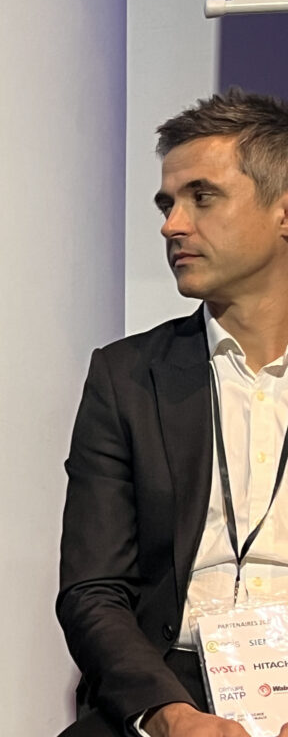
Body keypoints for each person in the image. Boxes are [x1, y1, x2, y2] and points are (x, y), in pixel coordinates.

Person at [57, 88, 288, 736]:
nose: (172, 225)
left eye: (202, 197)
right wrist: (168, 715)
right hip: (169, 680)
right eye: (167, 204)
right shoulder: (127, 376)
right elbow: (93, 589)